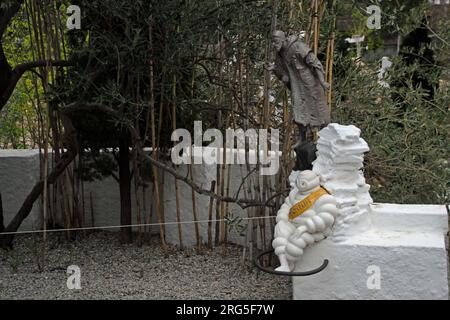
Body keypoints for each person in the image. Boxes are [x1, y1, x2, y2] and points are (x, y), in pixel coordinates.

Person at [268, 30, 331, 169]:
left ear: (283, 39)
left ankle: (325, 137)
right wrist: (275, 69)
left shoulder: (297, 47)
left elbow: (315, 63)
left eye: (276, 41)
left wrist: (322, 81)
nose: (274, 44)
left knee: (319, 110)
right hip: (297, 85)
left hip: (309, 83)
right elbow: (284, 74)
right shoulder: (280, 53)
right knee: (298, 111)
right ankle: (303, 137)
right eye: (272, 41)